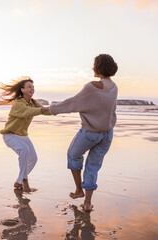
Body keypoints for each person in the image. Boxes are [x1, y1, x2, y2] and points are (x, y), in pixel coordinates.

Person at [46, 54, 118, 211]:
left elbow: (73, 103)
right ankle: (87, 203)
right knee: (93, 166)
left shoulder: (91, 87)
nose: (92, 67)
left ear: (99, 67)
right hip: (107, 134)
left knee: (73, 155)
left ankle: (79, 190)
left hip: (90, 133)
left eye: (94, 65)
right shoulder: (114, 88)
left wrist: (51, 109)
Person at [0, 77, 51, 193]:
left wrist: (64, 108)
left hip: (23, 135)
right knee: (24, 150)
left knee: (34, 159)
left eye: (33, 86)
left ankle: (18, 182)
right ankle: (24, 182)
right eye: (29, 87)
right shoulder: (18, 103)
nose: (32, 88)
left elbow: (46, 111)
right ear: (22, 90)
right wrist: (42, 110)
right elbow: (27, 112)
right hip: (10, 135)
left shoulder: (33, 102)